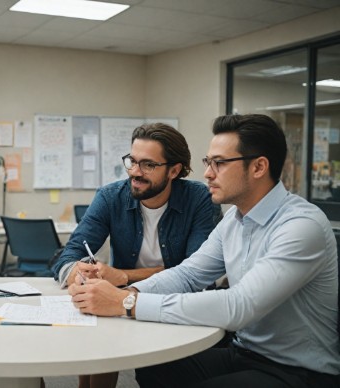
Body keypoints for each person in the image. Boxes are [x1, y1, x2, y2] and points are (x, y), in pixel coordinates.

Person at [70, 114, 340, 387]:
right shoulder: (235, 221)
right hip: (245, 352)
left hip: (299, 370)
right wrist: (127, 293)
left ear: (258, 167)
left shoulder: (301, 226)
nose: (208, 173)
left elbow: (240, 306)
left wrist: (126, 304)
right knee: (153, 366)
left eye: (219, 163)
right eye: (208, 162)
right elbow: (187, 275)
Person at [53, 122, 218, 388]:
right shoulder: (110, 197)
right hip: (118, 301)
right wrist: (77, 272)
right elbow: (67, 255)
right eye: (132, 161)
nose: (135, 172)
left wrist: (123, 276)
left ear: (174, 170)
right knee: (98, 338)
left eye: (148, 165)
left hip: (173, 302)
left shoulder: (198, 198)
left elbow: (196, 275)